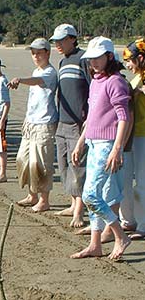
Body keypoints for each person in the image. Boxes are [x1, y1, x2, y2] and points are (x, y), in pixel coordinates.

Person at [71, 36, 131, 260]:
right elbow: (92, 117)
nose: (93, 63)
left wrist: (117, 148)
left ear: (108, 56)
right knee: (98, 194)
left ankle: (119, 236)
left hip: (107, 144)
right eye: (90, 59)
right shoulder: (96, 80)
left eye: (97, 58)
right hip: (93, 142)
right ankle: (95, 244)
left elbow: (123, 117)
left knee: (90, 195)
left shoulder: (116, 81)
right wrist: (81, 142)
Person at [8, 38, 58, 213]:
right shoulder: (36, 70)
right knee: (24, 159)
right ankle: (32, 195)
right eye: (33, 53)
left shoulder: (50, 72)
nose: (36, 56)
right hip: (31, 123)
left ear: (47, 53)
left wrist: (20, 80)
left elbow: (37, 81)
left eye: (39, 53)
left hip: (44, 123)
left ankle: (44, 200)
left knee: (41, 163)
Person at [50, 24, 91, 228]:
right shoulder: (63, 61)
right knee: (64, 164)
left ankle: (80, 211)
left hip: (78, 123)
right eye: (55, 41)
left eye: (61, 40)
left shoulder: (84, 59)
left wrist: (87, 122)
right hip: (62, 121)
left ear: (73, 39)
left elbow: (93, 91)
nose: (57, 44)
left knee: (79, 166)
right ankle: (72, 203)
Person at [123, 38, 145, 239]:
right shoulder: (137, 76)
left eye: (130, 60)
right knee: (128, 179)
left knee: (142, 180)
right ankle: (130, 220)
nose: (128, 65)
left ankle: (142, 225)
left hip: (142, 134)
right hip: (133, 133)